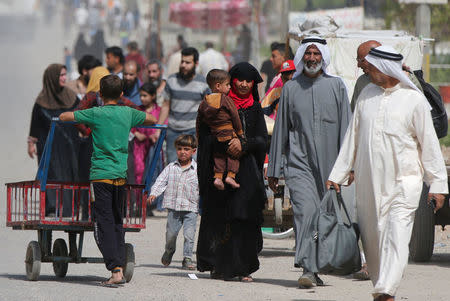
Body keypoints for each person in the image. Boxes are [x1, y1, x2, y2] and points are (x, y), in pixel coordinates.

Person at [326, 46, 448, 301]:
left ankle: (385, 290)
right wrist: (338, 173)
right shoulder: (366, 95)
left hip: (404, 182)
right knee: (372, 241)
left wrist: (437, 184)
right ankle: (383, 286)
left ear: (386, 68)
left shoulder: (414, 100)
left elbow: (429, 144)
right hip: (369, 184)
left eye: (370, 66)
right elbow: (353, 137)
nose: (366, 69)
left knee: (396, 234)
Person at [267, 36, 351, 288]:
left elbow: (347, 130)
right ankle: (307, 267)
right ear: (301, 56)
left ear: (323, 57)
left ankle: (317, 266)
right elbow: (281, 129)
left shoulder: (337, 87)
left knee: (324, 216)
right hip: (299, 164)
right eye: (308, 54)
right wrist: (274, 169)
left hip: (331, 166)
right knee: (305, 214)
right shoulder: (291, 88)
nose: (312, 58)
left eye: (316, 54)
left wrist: (349, 167)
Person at [59, 74, 157, 287]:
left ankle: (115, 270)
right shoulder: (128, 113)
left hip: (100, 175)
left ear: (100, 95)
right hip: (120, 176)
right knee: (116, 220)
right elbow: (152, 120)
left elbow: (67, 117)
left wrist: (68, 114)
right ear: (122, 94)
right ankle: (118, 265)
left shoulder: (96, 112)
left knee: (102, 222)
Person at [196, 62, 268, 282]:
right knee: (218, 216)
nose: (244, 85)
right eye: (240, 80)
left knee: (243, 217)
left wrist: (243, 145)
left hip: (245, 172)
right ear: (230, 83)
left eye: (249, 81)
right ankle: (218, 265)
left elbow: (262, 140)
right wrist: (223, 143)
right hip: (218, 169)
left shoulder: (255, 108)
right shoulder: (212, 105)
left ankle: (243, 267)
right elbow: (203, 135)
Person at [28, 64, 80, 216]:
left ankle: (71, 209)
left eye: (65, 74)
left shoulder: (71, 97)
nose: (64, 78)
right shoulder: (41, 101)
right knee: (51, 175)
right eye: (61, 75)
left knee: (70, 174)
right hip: (48, 146)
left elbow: (81, 117)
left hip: (69, 144)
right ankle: (52, 209)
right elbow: (35, 125)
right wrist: (31, 143)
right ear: (52, 78)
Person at [148, 134, 199, 270]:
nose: (183, 152)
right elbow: (160, 181)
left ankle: (187, 258)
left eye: (187, 149)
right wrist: (154, 193)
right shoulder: (171, 167)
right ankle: (169, 251)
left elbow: (203, 188)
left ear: (193, 151)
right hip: (173, 209)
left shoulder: (197, 170)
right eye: (180, 148)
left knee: (189, 235)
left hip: (190, 208)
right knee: (171, 235)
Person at [156, 47, 210, 163]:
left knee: (193, 168)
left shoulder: (203, 83)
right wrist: (158, 128)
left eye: (188, 62)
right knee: (172, 165)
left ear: (196, 64)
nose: (183, 65)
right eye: (182, 61)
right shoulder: (171, 80)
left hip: (192, 132)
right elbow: (166, 105)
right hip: (173, 131)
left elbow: (207, 109)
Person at [197, 69, 243, 190]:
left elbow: (199, 121)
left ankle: (218, 177)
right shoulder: (226, 100)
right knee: (234, 155)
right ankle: (230, 176)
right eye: (227, 85)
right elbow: (235, 116)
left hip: (215, 136)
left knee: (218, 156)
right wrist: (239, 133)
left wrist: (198, 137)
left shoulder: (204, 102)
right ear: (218, 86)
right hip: (228, 134)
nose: (229, 88)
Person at [131, 82, 164, 185]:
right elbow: (130, 125)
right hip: (139, 146)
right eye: (140, 95)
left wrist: (156, 135)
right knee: (138, 171)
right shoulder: (137, 110)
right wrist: (136, 133)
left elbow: (164, 125)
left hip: (154, 146)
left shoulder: (159, 111)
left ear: (153, 96)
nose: (142, 98)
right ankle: (139, 200)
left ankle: (150, 199)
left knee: (154, 171)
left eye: (145, 96)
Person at [350, 40, 382, 112]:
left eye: (362, 60)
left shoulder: (397, 83)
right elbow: (354, 111)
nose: (358, 65)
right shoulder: (362, 81)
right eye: (357, 60)